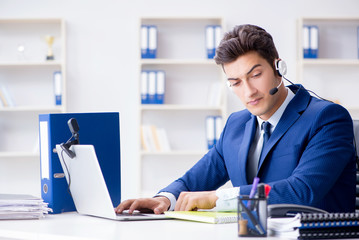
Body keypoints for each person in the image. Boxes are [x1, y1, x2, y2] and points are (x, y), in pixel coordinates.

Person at [116, 24, 356, 214]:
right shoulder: (236, 124)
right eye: (236, 83)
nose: (248, 91)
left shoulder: (327, 118)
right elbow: (196, 179)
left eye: (255, 75)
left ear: (278, 67)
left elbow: (302, 190)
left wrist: (217, 198)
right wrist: (163, 199)